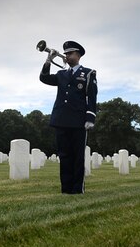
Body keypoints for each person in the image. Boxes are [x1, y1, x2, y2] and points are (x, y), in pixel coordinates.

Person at [39, 40, 98, 194]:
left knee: (78, 157)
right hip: (61, 119)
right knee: (64, 156)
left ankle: (77, 189)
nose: (66, 56)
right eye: (65, 54)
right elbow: (44, 79)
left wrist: (90, 118)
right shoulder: (61, 74)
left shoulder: (89, 73)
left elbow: (92, 97)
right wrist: (48, 60)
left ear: (78, 55)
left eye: (70, 53)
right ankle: (66, 189)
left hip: (79, 121)